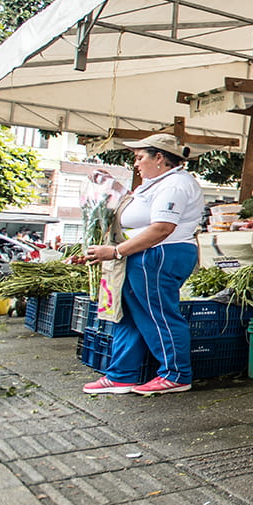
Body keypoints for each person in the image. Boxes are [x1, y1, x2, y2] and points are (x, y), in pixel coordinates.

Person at [82, 134, 205, 396]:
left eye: (140, 158)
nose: (136, 164)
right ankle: (121, 375)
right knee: (131, 315)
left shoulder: (175, 185)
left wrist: (116, 251)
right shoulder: (156, 184)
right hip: (142, 254)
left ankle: (176, 374)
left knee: (159, 314)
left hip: (160, 255)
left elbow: (162, 228)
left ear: (159, 157)